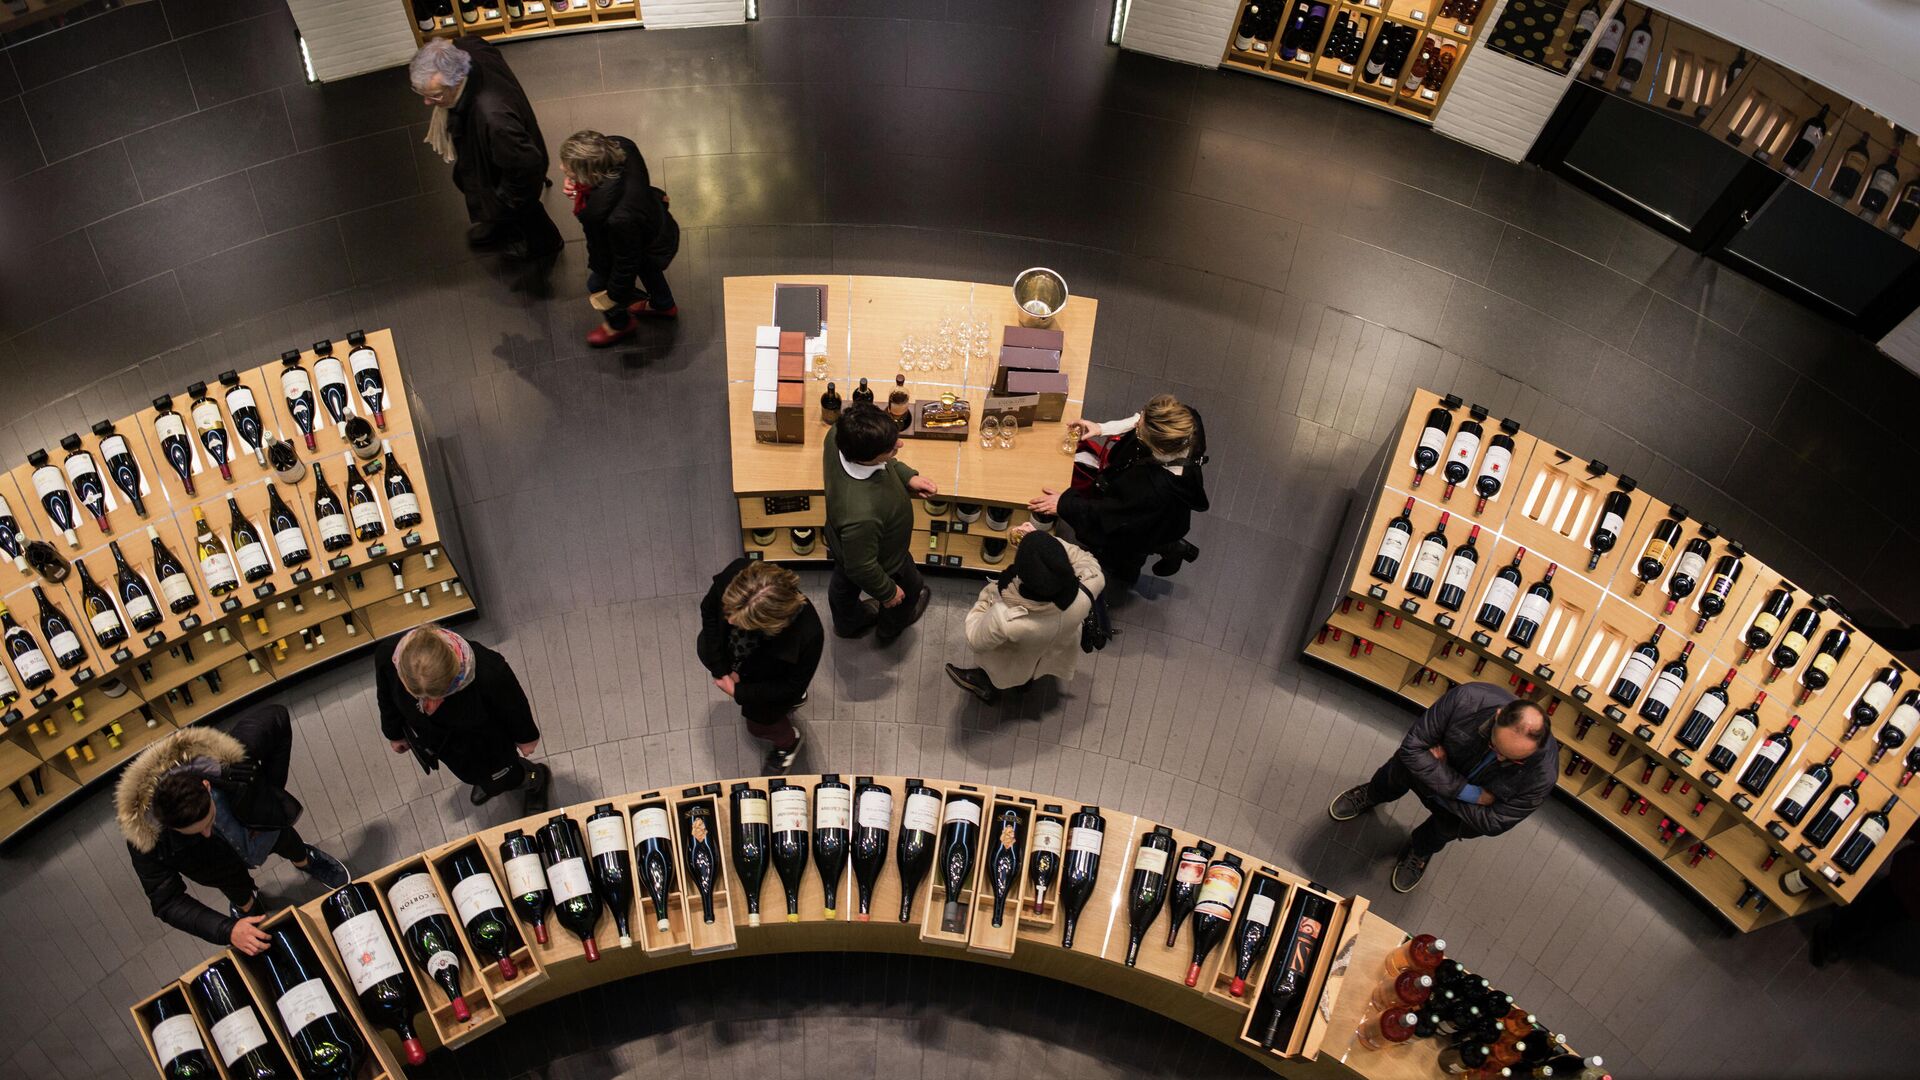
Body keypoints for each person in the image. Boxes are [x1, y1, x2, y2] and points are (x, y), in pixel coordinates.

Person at [115, 704, 351, 953]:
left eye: (209, 821)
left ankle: (305, 860)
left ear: (206, 786)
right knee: (239, 893)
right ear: (168, 825)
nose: (207, 834)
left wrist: (271, 790)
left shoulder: (226, 757)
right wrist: (227, 930)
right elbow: (166, 900)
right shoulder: (145, 840)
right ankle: (249, 907)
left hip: (259, 827)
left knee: (289, 843)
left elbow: (276, 716)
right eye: (196, 832)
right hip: (217, 868)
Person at [1327, 683, 1557, 893]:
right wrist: (1471, 794)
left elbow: (1493, 822)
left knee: (1436, 835)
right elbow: (1412, 749)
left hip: (1454, 810)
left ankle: (1420, 851)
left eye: (1514, 760)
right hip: (1453, 795)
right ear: (1497, 716)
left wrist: (1439, 772)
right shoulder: (1466, 699)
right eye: (1495, 746)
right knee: (1390, 779)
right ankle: (1371, 794)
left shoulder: (1543, 776)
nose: (1500, 758)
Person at [1029, 394, 1208, 592]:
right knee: (1155, 531)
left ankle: (1124, 578)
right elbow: (1142, 421)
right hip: (1161, 513)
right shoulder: (1187, 422)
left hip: (1143, 522)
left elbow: (1110, 514)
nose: (1136, 423)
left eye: (1139, 431)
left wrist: (1064, 504)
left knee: (1126, 551)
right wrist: (1101, 428)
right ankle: (1170, 545)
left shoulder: (1150, 490)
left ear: (1157, 446)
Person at [410, 37, 562, 260]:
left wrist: (507, 203)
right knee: (466, 179)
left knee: (526, 212)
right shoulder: (470, 48)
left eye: (435, 95)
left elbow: (526, 166)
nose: (427, 102)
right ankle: (497, 221)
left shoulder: (493, 119)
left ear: (457, 81)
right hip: (490, 148)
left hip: (513, 168)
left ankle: (546, 243)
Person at [376, 626, 552, 814]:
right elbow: (385, 695)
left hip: (488, 743)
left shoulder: (489, 671)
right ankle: (484, 779)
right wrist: (394, 733)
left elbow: (513, 706)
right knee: (473, 775)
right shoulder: (389, 654)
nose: (429, 707)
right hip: (445, 745)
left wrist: (526, 738)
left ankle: (534, 780)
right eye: (420, 696)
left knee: (504, 778)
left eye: (439, 695)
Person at [946, 526, 1104, 704]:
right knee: (1032, 667)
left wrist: (985, 602)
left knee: (1006, 671)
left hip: (1013, 660)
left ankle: (986, 686)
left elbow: (975, 639)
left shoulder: (1005, 617)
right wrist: (1046, 547)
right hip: (1051, 650)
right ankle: (1025, 683)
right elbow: (1087, 560)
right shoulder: (1087, 589)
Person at [823, 402, 938, 643]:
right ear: (867, 458)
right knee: (910, 588)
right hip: (887, 560)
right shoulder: (861, 514)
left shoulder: (839, 434)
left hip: (843, 545)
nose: (900, 445)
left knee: (844, 586)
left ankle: (847, 625)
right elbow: (861, 566)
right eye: (891, 448)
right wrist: (887, 591)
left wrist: (907, 476)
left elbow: (885, 463)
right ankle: (889, 630)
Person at [697, 558, 823, 771]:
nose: (729, 620)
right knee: (707, 650)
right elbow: (709, 610)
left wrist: (738, 691)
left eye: (743, 621)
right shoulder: (738, 580)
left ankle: (788, 743)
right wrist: (722, 669)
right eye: (727, 610)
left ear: (772, 624)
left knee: (759, 725)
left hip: (769, 676)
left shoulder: (808, 636)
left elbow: (790, 687)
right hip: (739, 658)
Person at [558, 130, 681, 348]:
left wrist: (615, 295)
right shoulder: (625, 149)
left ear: (588, 174)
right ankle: (663, 305)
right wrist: (578, 183)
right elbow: (616, 142)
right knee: (649, 268)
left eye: (569, 168)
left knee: (596, 284)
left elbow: (626, 262)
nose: (561, 168)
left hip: (632, 240)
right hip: (653, 229)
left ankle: (619, 324)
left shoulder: (615, 218)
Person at [1809, 841, 1920, 968]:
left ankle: (1835, 937)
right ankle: (1841, 937)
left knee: (1880, 907)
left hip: (1909, 884)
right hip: (1910, 891)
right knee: (1887, 910)